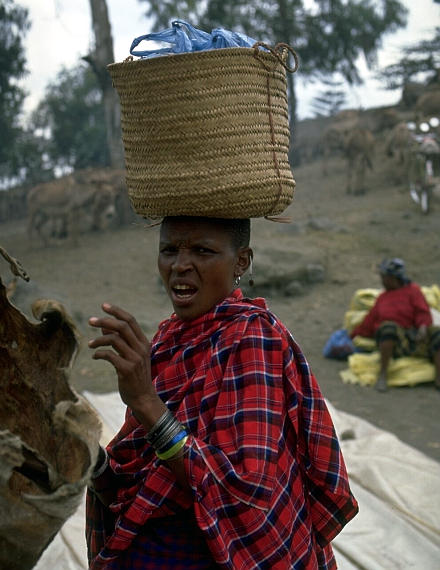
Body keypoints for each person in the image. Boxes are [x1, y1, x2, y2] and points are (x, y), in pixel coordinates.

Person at [86, 216, 358, 569]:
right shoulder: (169, 338)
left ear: (241, 261)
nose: (180, 265)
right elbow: (140, 470)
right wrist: (86, 455)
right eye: (169, 250)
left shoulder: (253, 337)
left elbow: (247, 495)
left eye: (202, 250)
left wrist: (145, 401)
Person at [350, 258, 440, 392]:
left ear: (393, 278)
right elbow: (369, 322)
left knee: (437, 333)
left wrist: (423, 327)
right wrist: (353, 335)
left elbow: (423, 312)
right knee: (388, 328)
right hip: (391, 340)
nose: (382, 280)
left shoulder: (413, 291)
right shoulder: (382, 298)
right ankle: (383, 375)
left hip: (412, 337)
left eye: (383, 277)